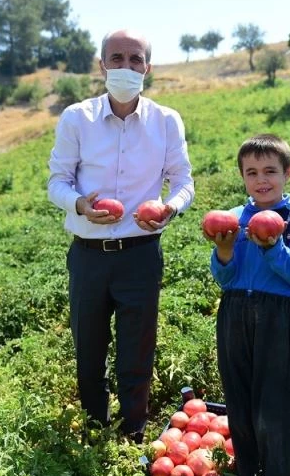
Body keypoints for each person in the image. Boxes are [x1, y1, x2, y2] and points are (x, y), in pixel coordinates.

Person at [47, 29, 195, 443]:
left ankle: (133, 431)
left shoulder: (166, 121)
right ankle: (96, 427)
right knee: (89, 349)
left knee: (137, 349)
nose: (125, 67)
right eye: (117, 58)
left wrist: (170, 207)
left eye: (135, 59)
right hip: (89, 255)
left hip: (140, 254)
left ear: (147, 67)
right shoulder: (77, 118)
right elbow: (57, 181)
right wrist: (80, 205)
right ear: (102, 65)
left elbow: (184, 180)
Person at [203, 133, 290, 476]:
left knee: (277, 406)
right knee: (239, 397)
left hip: (280, 316)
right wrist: (223, 251)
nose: (261, 179)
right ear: (242, 177)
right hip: (235, 312)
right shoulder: (235, 219)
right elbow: (225, 278)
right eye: (251, 172)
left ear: (288, 173)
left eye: (270, 170)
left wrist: (274, 248)